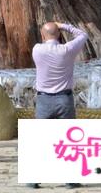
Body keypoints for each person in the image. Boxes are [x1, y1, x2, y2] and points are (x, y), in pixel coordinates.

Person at [29, 22, 88, 189]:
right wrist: (63, 25)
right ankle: (70, 179)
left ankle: (34, 178)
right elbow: (83, 35)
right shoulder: (67, 50)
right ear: (59, 34)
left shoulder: (37, 50)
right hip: (64, 99)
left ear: (42, 35)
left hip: (44, 101)